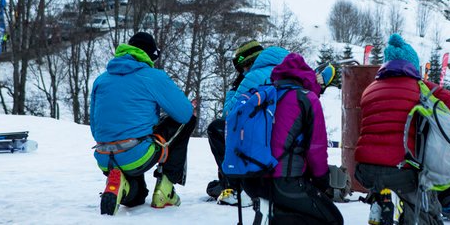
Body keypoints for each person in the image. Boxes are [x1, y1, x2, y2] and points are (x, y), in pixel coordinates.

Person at [355, 33, 450, 225]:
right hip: (404, 171)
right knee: (428, 214)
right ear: (412, 65)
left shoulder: (370, 89)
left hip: (365, 170)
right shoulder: (421, 87)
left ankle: (385, 206)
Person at [90, 31, 196, 216]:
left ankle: (120, 185)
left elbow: (94, 125)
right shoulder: (152, 76)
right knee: (187, 121)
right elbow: (184, 113)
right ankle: (166, 188)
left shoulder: (101, 80)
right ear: (149, 55)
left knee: (137, 197)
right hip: (137, 155)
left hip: (105, 158)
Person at [241, 52, 344, 225]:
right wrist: (321, 179)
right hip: (284, 181)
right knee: (332, 219)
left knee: (287, 213)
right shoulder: (307, 98)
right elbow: (316, 148)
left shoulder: (265, 95)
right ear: (307, 77)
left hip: (251, 181)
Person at [207, 42, 289, 204]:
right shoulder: (288, 73)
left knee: (217, 128)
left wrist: (233, 89)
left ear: (248, 63)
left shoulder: (253, 76)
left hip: (260, 138)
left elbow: (229, 114)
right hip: (286, 137)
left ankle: (234, 185)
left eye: (242, 68)